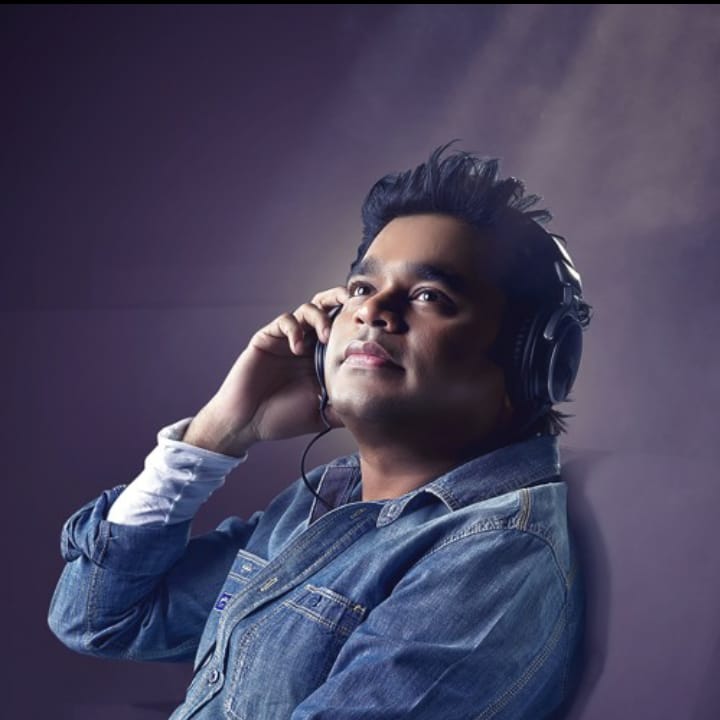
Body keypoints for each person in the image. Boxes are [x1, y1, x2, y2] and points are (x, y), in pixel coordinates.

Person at [48, 141, 594, 719]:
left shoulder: (492, 556)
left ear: (531, 364)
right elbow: (98, 619)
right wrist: (218, 433)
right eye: (361, 288)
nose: (371, 312)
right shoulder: (326, 500)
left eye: (429, 296)